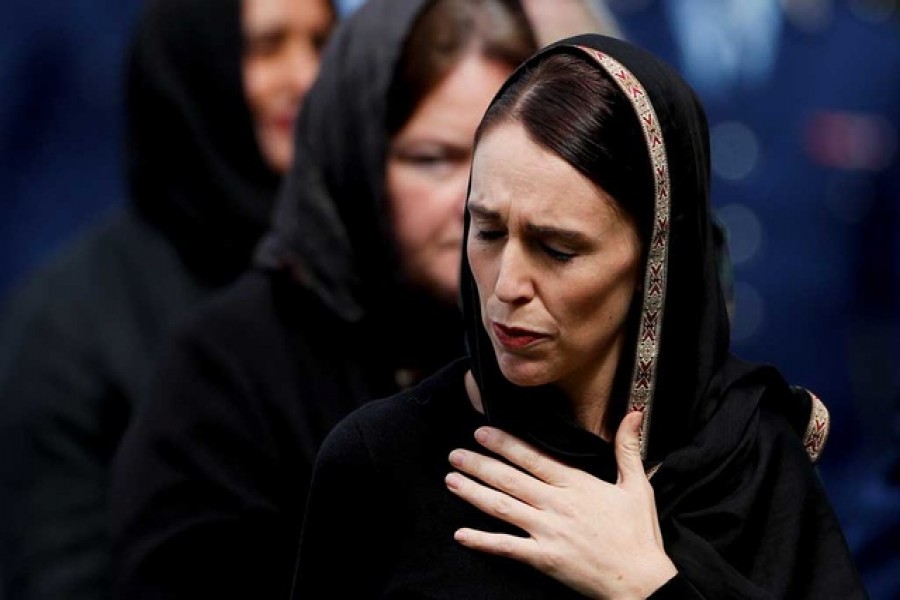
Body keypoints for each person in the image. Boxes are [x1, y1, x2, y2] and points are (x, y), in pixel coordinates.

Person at [292, 34, 866, 598]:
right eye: (487, 231)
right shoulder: (380, 461)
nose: (507, 286)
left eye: (557, 249)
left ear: (656, 260)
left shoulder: (749, 462)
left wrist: (646, 586)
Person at [109, 1, 541, 598]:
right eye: (432, 160)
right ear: (354, 159)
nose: (476, 202)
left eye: (505, 163)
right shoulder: (227, 372)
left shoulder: (557, 346)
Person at [0, 0, 334, 598]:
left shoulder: (355, 272)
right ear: (195, 63)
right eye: (265, 48)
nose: (306, 77)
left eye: (322, 44)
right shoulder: (66, 323)